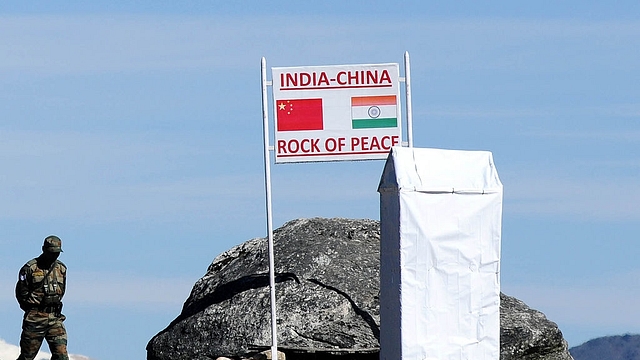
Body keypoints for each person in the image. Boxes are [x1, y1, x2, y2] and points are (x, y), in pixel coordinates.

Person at [15, 235, 69, 360]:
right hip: (35, 318)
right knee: (27, 356)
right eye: (51, 252)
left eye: (56, 253)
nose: (54, 256)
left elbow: (62, 290)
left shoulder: (61, 268)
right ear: (44, 249)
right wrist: (33, 309)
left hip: (55, 318)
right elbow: (21, 293)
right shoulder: (30, 268)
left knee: (61, 356)